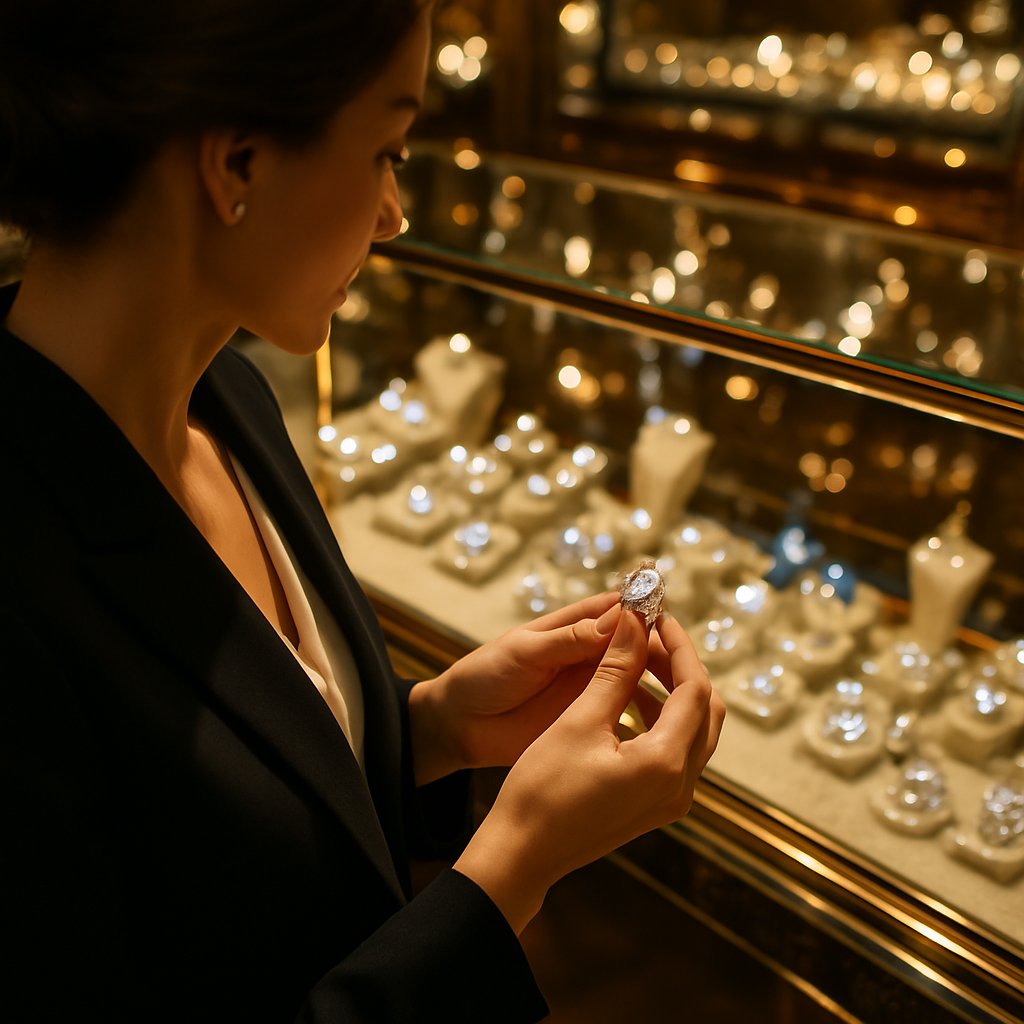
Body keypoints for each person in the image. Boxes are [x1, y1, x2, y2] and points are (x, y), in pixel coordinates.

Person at [0, 2, 725, 1021]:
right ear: (238, 164)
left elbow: (216, 821)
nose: (394, 214)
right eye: (387, 151)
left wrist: (431, 728)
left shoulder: (231, 400)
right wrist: (514, 867)